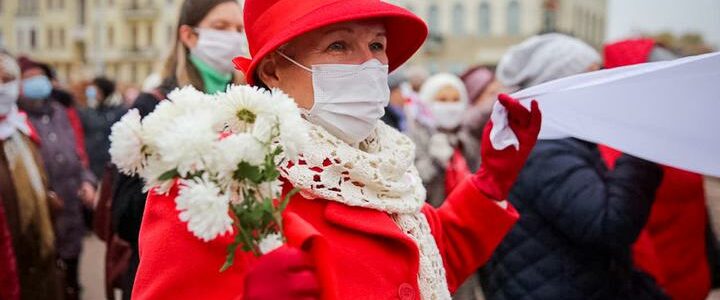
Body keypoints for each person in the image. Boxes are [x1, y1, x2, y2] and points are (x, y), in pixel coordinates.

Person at [132, 0, 541, 299]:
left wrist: (490, 182)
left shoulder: (380, 167)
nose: (368, 64)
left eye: (377, 46)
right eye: (339, 46)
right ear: (273, 70)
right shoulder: (221, 175)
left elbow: (426, 264)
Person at [478, 33, 667, 300]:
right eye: (591, 75)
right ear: (561, 83)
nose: (600, 84)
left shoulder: (555, 140)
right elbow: (610, 224)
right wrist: (642, 144)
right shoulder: (544, 149)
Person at [110, 0, 247, 298]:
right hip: (174, 277)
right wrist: (186, 174)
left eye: (239, 29)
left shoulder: (250, 103)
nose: (234, 38)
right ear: (189, 36)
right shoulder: (156, 105)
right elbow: (122, 216)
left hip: (235, 274)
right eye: (220, 28)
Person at [602, 38, 712, 300]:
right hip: (659, 288)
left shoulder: (675, 135)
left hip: (690, 281)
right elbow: (634, 238)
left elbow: (698, 216)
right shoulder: (619, 146)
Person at [17, 56, 96, 300]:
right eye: (28, 79)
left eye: (40, 77)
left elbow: (78, 154)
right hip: (42, 215)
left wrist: (87, 181)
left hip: (71, 208)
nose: (36, 83)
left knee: (71, 274)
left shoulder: (61, 113)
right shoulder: (17, 119)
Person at [412, 73, 481, 207]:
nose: (450, 106)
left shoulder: (469, 138)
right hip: (430, 216)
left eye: (456, 100)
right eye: (442, 100)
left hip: (463, 213)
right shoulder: (415, 137)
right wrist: (435, 162)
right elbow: (412, 183)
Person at [79, 76, 127, 179]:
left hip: (111, 164)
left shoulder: (120, 111)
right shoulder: (87, 111)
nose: (91, 92)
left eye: (95, 89)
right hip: (92, 164)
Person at [460, 66, 502, 139]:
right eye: (491, 94)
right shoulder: (469, 127)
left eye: (498, 90)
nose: (496, 98)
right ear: (477, 98)